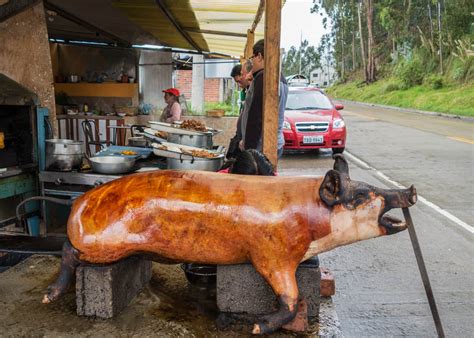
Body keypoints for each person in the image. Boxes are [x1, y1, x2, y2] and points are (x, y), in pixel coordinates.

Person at [240, 39, 288, 158]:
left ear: (260, 56)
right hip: (274, 143)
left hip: (262, 147)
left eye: (252, 58)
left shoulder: (264, 78)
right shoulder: (281, 78)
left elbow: (256, 117)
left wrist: (248, 148)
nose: (252, 63)